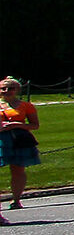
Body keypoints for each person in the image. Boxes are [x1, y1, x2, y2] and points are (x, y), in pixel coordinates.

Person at [0, 77, 38, 218]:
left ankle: (16, 199)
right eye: (3, 88)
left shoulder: (26, 106)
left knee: (17, 170)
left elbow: (34, 125)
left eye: (10, 88)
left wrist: (16, 125)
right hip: (1, 140)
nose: (6, 91)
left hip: (18, 140)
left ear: (17, 90)